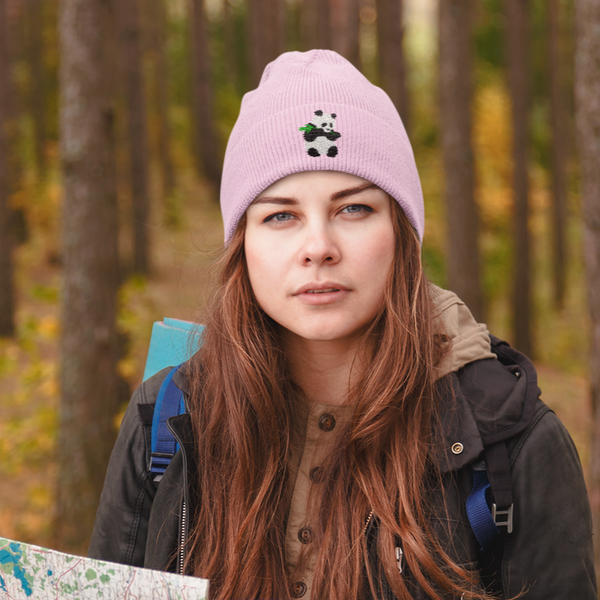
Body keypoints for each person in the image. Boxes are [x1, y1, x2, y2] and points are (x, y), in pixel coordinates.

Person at [88, 50, 596, 600]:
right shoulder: (166, 420)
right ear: (244, 246)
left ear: (402, 232)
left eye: (353, 209)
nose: (319, 249)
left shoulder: (511, 441)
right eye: (280, 215)